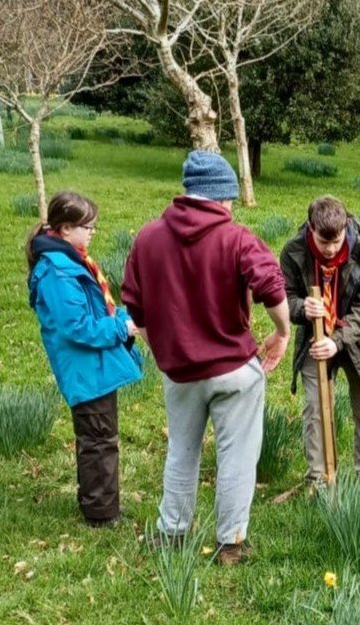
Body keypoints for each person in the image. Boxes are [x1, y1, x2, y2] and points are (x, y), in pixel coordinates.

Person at [122, 150, 290, 565]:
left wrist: (160, 347)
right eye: (230, 198)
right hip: (234, 368)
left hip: (180, 372)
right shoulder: (236, 238)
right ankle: (230, 544)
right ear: (218, 197)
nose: (232, 206)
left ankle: (172, 532)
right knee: (237, 454)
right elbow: (271, 285)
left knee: (182, 450)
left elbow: (135, 309)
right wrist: (283, 332)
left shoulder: (147, 237)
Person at [26, 191, 142, 528]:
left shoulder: (69, 261)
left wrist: (121, 316)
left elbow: (92, 310)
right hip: (85, 368)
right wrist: (121, 326)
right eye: (86, 226)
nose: (92, 232)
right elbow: (77, 328)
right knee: (99, 441)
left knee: (97, 436)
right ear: (64, 229)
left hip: (92, 366)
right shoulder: (58, 273)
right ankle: (102, 514)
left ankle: (96, 502)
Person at [280, 195, 360, 487]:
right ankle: (319, 479)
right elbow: (285, 296)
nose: (330, 249)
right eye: (323, 242)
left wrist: (338, 340)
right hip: (315, 337)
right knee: (315, 409)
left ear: (345, 228)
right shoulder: (293, 252)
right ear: (311, 229)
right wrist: (301, 308)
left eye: (337, 241)